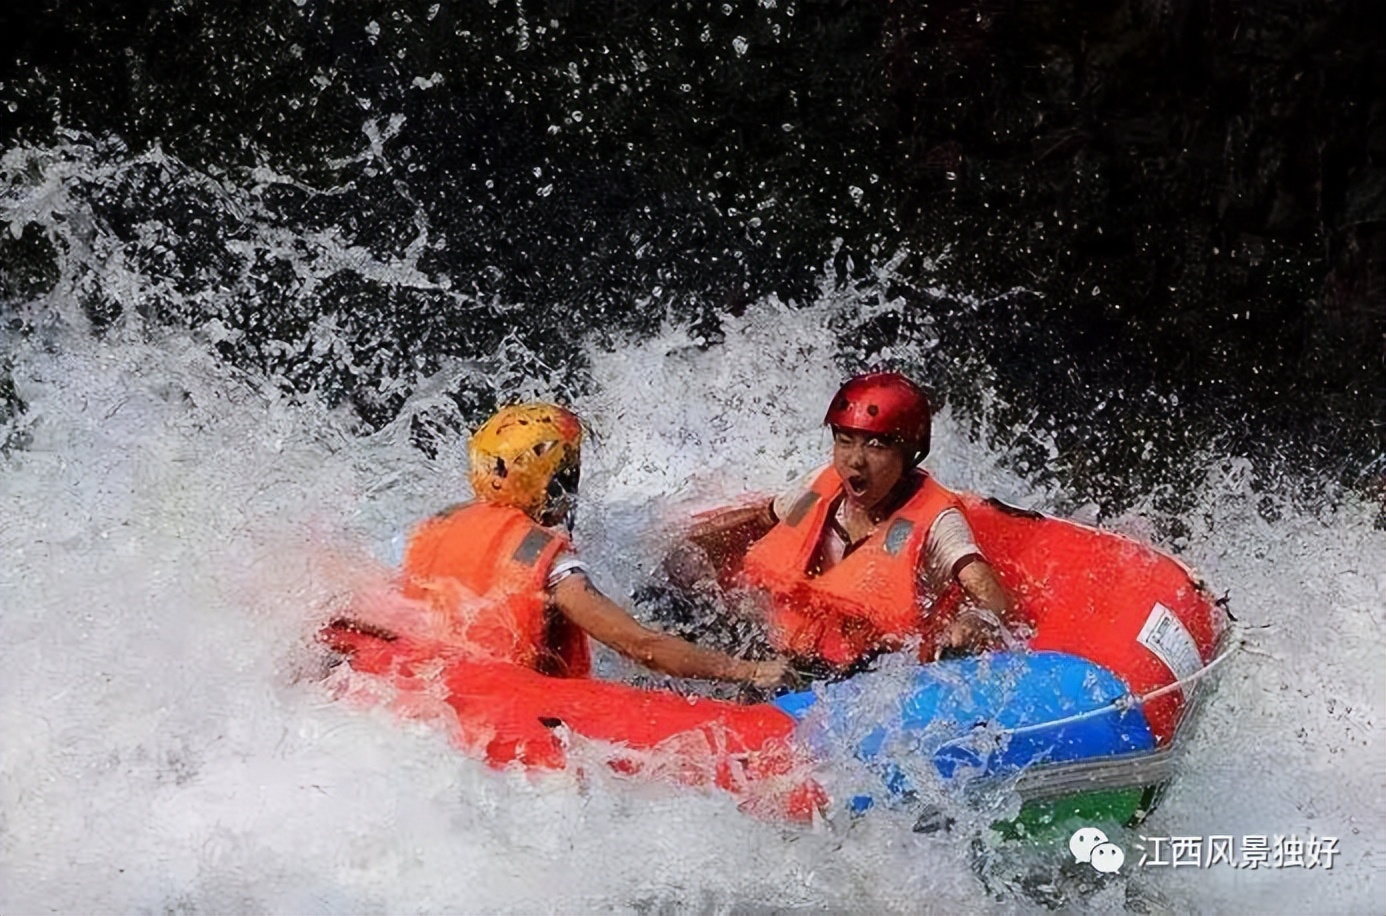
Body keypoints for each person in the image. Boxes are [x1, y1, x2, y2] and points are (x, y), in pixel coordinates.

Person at [349, 401, 797, 691]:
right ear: (555, 480)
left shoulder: (432, 526)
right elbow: (640, 646)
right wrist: (749, 671)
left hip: (432, 690)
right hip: (512, 710)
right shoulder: (551, 563)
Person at [663, 371, 1022, 681]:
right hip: (782, 652)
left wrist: (975, 620)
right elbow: (763, 521)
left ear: (909, 452)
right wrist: (690, 546)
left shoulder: (936, 518)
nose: (855, 461)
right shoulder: (819, 492)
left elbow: (988, 593)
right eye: (844, 440)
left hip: (867, 671)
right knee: (666, 602)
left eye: (876, 445)